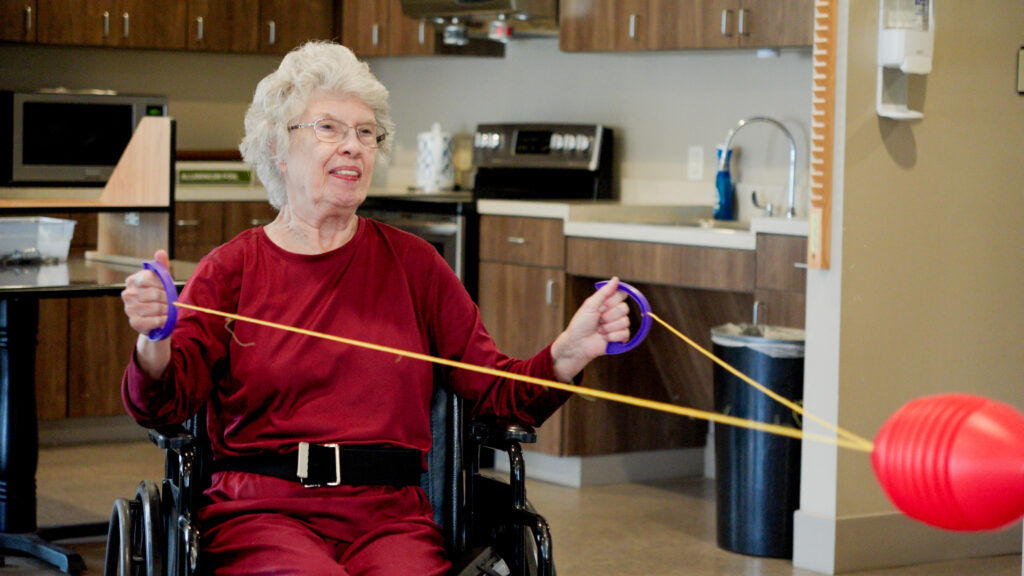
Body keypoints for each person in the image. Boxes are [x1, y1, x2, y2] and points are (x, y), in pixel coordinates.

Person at [120, 41, 630, 576]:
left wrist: (568, 353)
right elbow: (162, 405)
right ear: (277, 148)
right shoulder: (231, 269)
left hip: (390, 520)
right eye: (329, 128)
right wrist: (154, 339)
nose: (353, 146)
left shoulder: (415, 265)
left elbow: (497, 395)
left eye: (366, 133)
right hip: (262, 512)